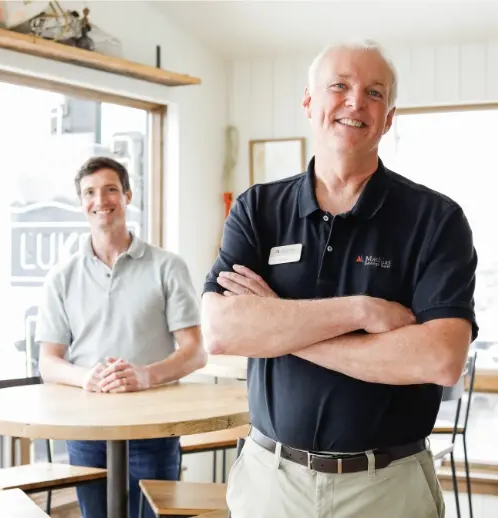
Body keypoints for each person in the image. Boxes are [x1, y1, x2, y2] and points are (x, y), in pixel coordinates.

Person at [201, 40, 478, 518]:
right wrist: (362, 310)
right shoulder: (257, 210)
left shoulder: (436, 220)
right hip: (273, 483)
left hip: (388, 488)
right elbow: (222, 331)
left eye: (374, 92)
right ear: (309, 103)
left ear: (388, 118)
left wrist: (279, 328)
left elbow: (440, 358)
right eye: (339, 86)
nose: (355, 102)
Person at [36, 156, 206, 518]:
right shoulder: (61, 277)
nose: (101, 200)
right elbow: (48, 362)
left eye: (111, 189)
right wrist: (86, 378)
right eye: (90, 193)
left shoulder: (167, 266)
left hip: (154, 428)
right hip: (87, 430)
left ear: (127, 195)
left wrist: (146, 375)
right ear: (81, 202)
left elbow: (195, 352)